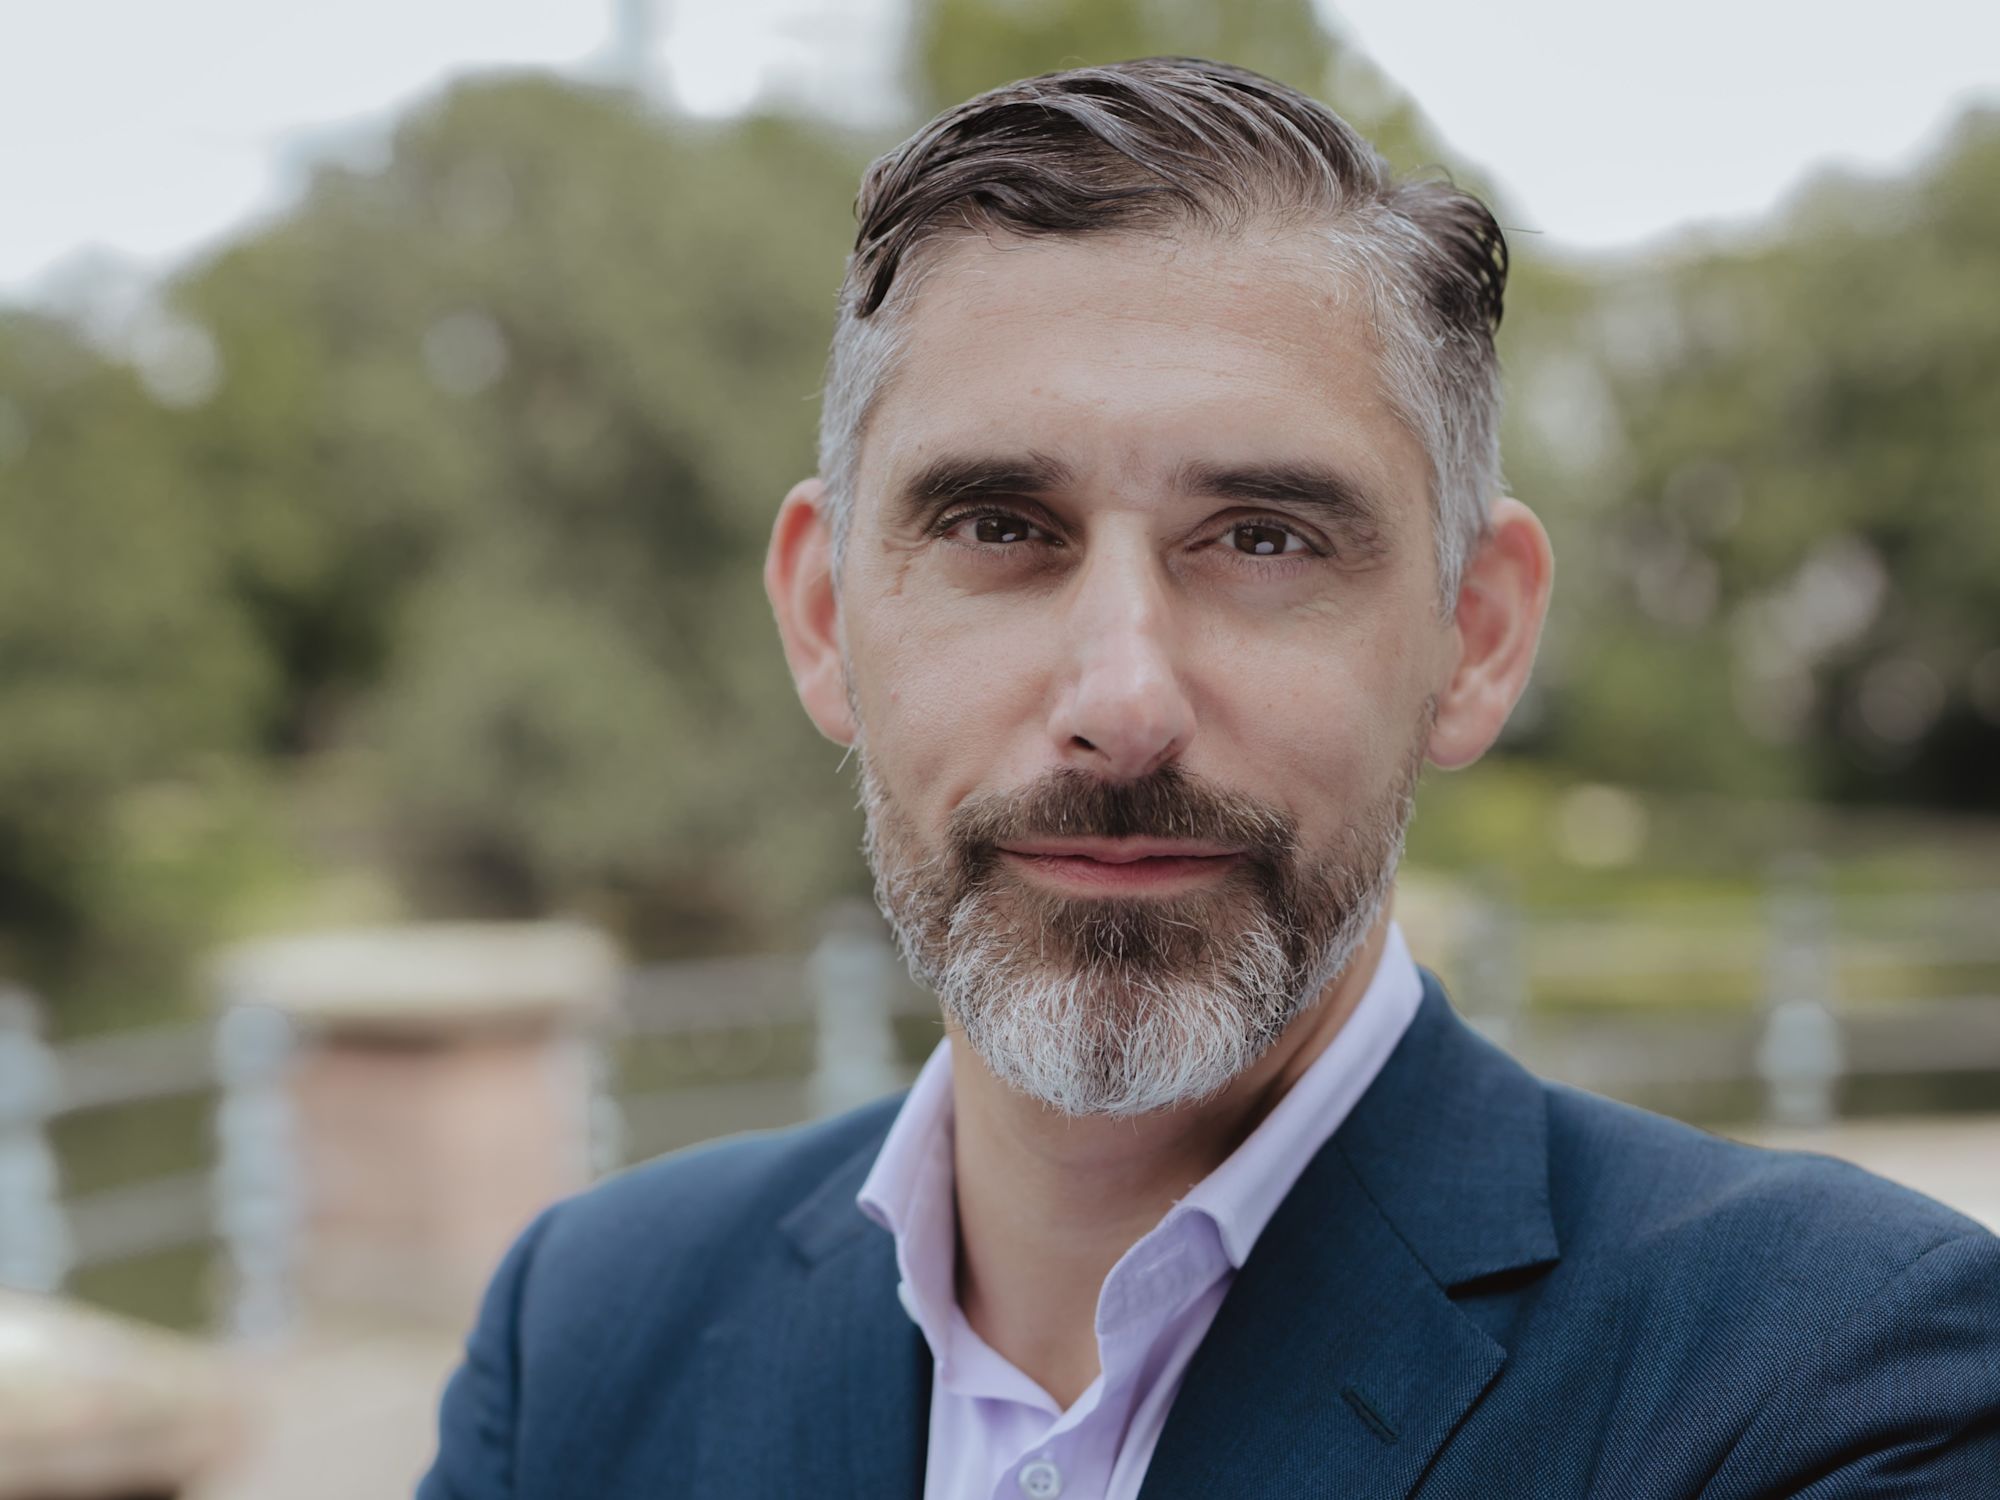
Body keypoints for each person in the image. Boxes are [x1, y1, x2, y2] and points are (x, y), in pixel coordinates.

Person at [417, 58, 2000, 1499]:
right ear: (826, 619)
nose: (1124, 702)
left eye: (1263, 539)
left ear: (1476, 634)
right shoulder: (586, 1337)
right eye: (999, 528)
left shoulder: (1835, 1387)